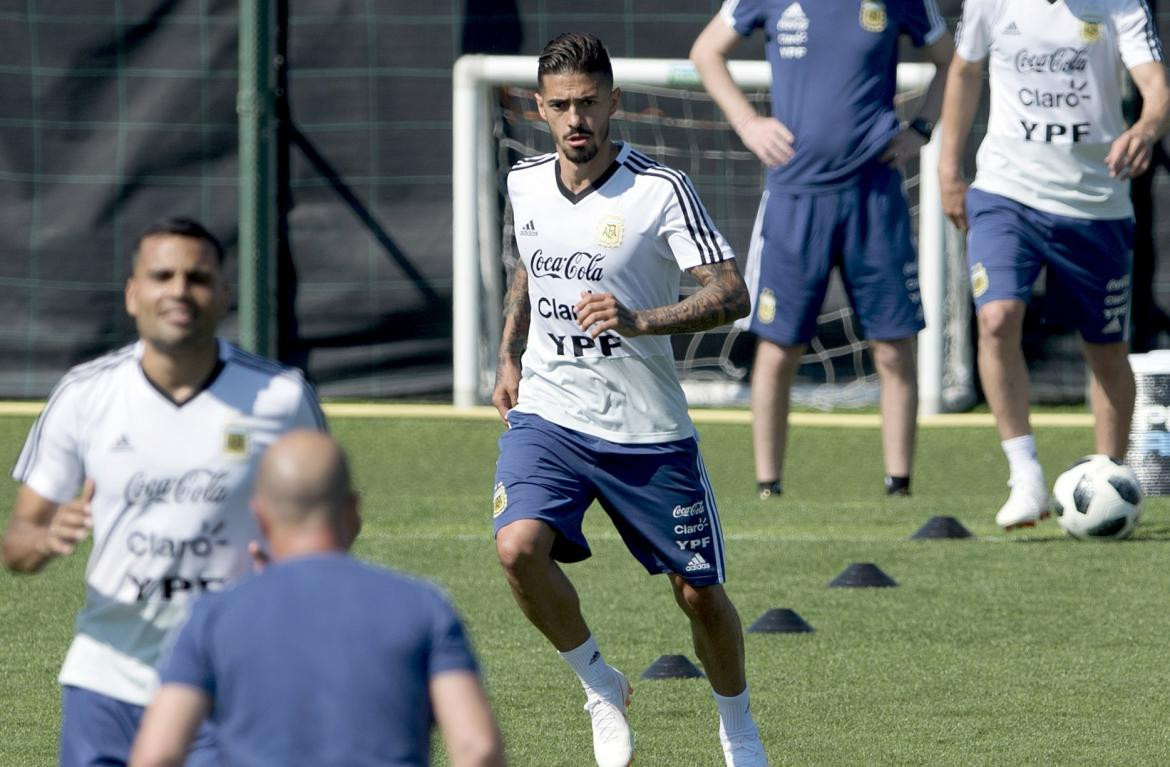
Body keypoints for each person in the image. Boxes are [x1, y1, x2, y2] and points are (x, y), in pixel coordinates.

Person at [491, 32, 767, 767]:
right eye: (560, 107)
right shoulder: (523, 181)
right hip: (551, 412)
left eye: (588, 103)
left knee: (700, 595)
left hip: (646, 430)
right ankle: (599, 685)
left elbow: (731, 293)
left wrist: (642, 318)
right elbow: (525, 267)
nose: (576, 119)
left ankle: (737, 729)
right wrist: (508, 355)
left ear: (614, 102)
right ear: (540, 110)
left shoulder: (659, 190)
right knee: (516, 548)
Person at [0, 217, 327, 766]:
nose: (179, 290)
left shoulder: (280, 397)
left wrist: (293, 565)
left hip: (228, 683)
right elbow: (16, 544)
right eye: (162, 275)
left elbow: (333, 522)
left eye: (197, 278)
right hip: (106, 682)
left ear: (223, 294)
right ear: (133, 294)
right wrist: (46, 536)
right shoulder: (84, 396)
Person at [691, 0, 954, 499]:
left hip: (875, 197)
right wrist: (748, 123)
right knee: (778, 345)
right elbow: (706, 52)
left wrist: (921, 129)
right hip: (796, 200)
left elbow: (952, 58)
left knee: (894, 345)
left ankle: (899, 486)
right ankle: (769, 486)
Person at [128, 431, 505, 767]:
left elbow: (159, 753)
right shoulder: (424, 607)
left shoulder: (212, 617)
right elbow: (477, 748)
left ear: (260, 517)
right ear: (353, 513)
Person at [938, 0, 1170, 529]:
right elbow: (965, 69)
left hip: (1095, 205)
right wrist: (950, 169)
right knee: (996, 319)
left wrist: (1146, 129)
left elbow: (1157, 89)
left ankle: (1109, 477)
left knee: (1106, 350)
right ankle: (1026, 477)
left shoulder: (1119, 5)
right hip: (1005, 191)